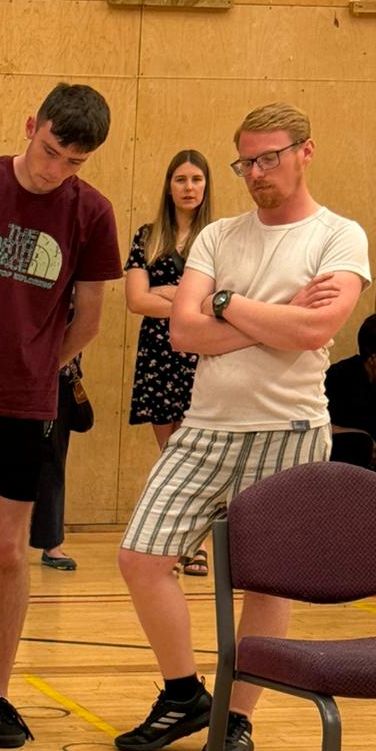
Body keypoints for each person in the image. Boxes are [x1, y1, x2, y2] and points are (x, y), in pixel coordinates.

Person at [116, 103, 370, 751]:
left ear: (305, 152)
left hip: (289, 428)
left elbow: (316, 333)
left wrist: (227, 304)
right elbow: (182, 332)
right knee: (142, 558)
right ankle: (184, 694)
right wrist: (275, 315)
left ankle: (235, 719)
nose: (257, 173)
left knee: (267, 584)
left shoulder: (340, 236)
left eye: (270, 158)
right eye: (246, 162)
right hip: (205, 427)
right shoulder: (218, 236)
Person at [0, 83, 122, 748]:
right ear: (31, 125)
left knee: (8, 549)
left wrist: (39, 365)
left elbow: (89, 318)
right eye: (51, 150)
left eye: (73, 162)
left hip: (27, 405)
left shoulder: (91, 214)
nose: (54, 169)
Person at [125, 149, 214, 575]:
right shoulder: (147, 235)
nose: (189, 187)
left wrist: (166, 292)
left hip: (203, 353)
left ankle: (194, 546)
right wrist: (185, 298)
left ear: (206, 185)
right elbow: (136, 300)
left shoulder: (219, 237)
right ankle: (174, 545)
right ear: (169, 185)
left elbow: (216, 304)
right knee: (171, 454)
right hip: (159, 354)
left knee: (198, 453)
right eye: (181, 179)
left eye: (196, 179)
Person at [0, 352, 92, 572]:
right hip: (11, 378)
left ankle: (52, 543)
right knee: (3, 459)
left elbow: (83, 327)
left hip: (57, 378)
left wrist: (52, 363)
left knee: (54, 460)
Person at [325, 312, 376, 466]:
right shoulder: (337, 377)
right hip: (345, 465)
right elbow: (318, 426)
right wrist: (363, 437)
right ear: (373, 358)